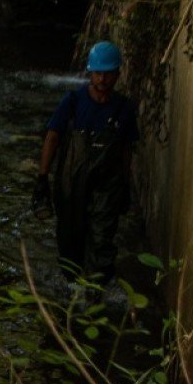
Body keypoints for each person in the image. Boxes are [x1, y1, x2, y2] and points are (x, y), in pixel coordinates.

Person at [38, 41, 138, 293]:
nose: (102, 79)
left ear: (117, 74)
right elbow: (52, 137)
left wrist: (125, 184)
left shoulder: (124, 109)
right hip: (71, 183)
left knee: (102, 239)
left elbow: (127, 148)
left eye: (107, 74)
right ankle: (72, 290)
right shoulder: (73, 102)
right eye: (98, 73)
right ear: (91, 73)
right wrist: (42, 178)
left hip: (107, 185)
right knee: (70, 241)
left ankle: (97, 294)